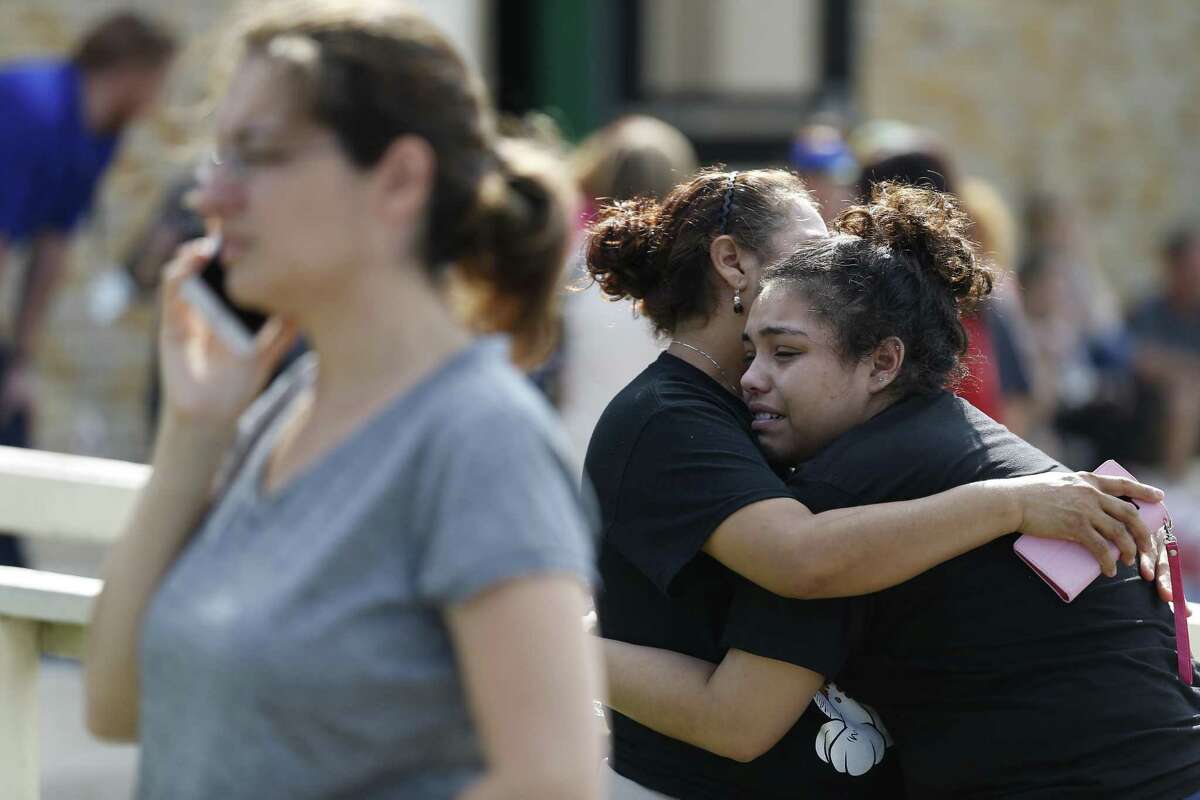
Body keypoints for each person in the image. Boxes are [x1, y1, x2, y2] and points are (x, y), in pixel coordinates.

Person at [83, 3, 603, 798]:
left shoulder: (479, 437)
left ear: (397, 179)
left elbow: (552, 782)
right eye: (221, 158)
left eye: (255, 155)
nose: (211, 197)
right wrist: (193, 432)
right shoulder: (280, 409)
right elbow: (117, 704)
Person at [601, 183, 1200, 799]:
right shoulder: (943, 442)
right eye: (757, 353)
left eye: (786, 352)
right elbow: (795, 564)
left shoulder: (857, 479)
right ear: (730, 263)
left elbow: (744, 698)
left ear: (883, 362)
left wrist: (559, 646)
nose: (756, 378)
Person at [0, 10, 176, 566]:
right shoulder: (32, 105)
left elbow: (52, 249)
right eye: (157, 84)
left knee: (12, 423)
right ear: (131, 72)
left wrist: (21, 361)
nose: (156, 102)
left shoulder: (99, 134)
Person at [1129, 223, 1200, 480]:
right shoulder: (1150, 310)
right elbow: (1142, 361)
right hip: (1151, 406)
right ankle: (1175, 481)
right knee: (1185, 394)